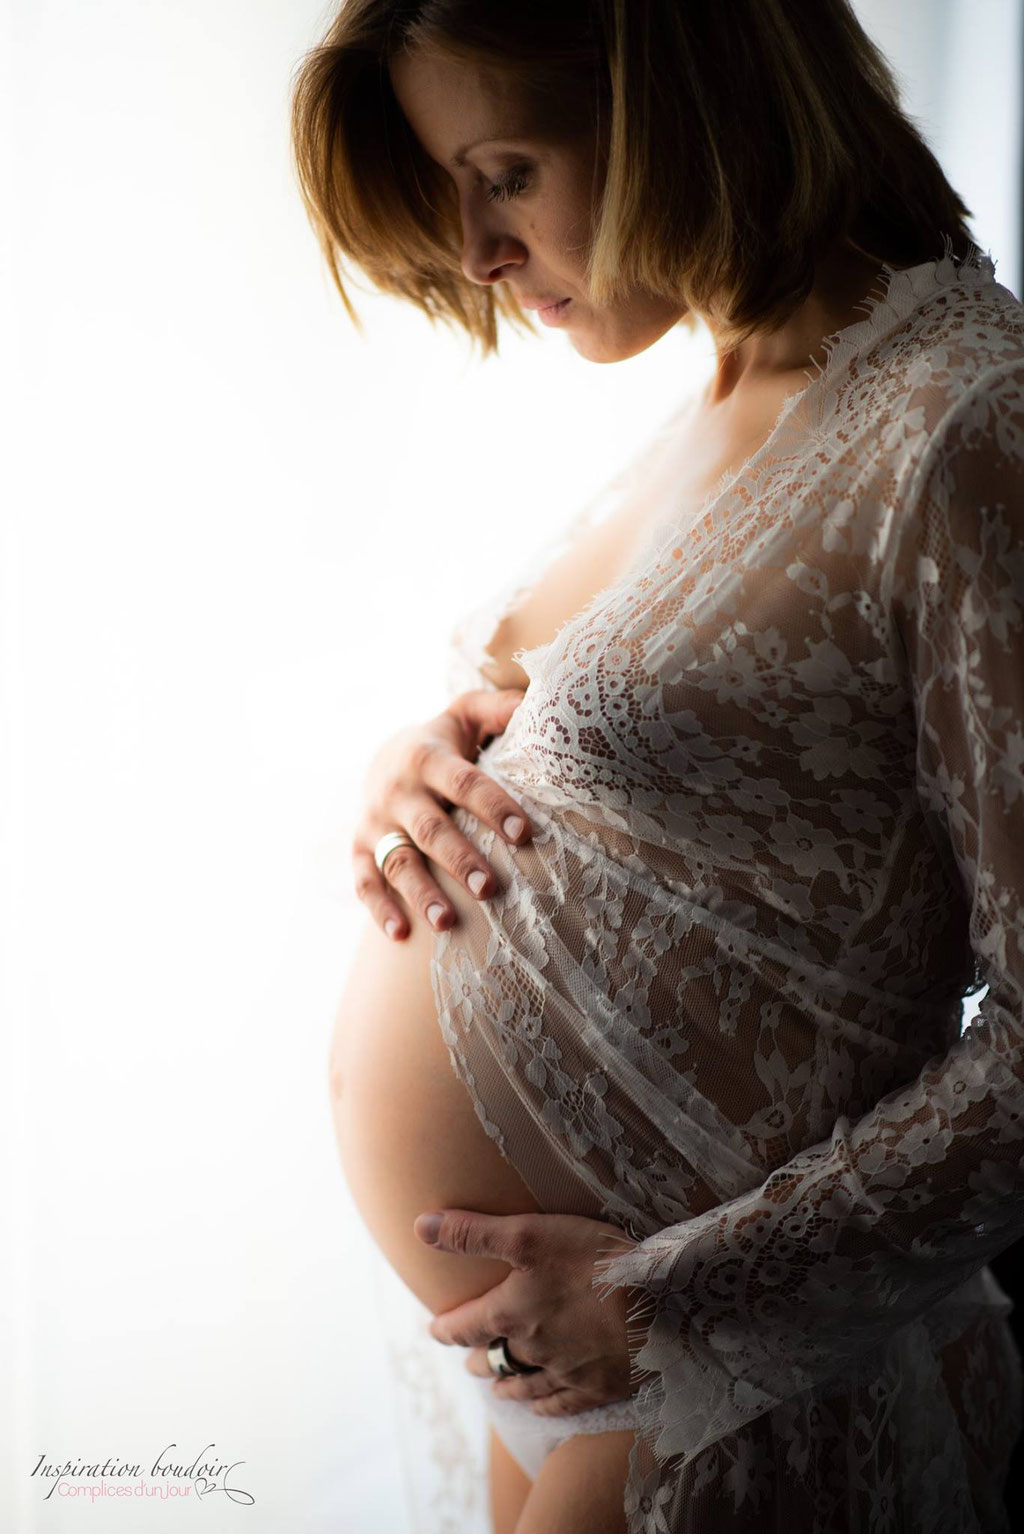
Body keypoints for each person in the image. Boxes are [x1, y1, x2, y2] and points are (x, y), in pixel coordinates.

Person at [290, 3, 1024, 1529]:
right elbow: (631, 753)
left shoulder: (966, 420)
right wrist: (409, 761)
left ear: (683, 99)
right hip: (572, 1363)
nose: (479, 248)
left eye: (507, 169)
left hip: (722, 1375)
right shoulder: (733, 386)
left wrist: (662, 1299)